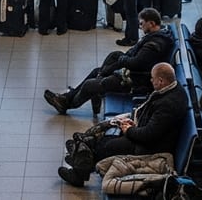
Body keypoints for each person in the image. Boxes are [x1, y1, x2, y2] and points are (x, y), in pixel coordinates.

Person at [57, 62, 189, 187]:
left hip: (151, 147)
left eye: (153, 78)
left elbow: (149, 135)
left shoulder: (168, 104)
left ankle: (80, 167)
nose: (151, 81)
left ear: (161, 81)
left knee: (107, 145)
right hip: (149, 136)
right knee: (106, 133)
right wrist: (133, 123)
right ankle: (80, 164)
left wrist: (129, 130)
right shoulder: (172, 90)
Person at [43, 8, 173, 115]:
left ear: (151, 23)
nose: (140, 26)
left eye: (142, 23)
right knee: (107, 62)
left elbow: (136, 63)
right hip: (133, 73)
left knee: (90, 85)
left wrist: (123, 60)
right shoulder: (155, 37)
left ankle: (67, 104)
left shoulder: (154, 44)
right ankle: (80, 91)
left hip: (135, 80)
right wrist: (122, 58)